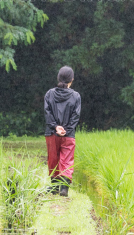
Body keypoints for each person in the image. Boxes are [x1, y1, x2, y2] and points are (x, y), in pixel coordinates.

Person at [44, 66, 81, 197]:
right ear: (72, 79)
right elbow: (75, 116)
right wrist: (67, 129)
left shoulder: (49, 94)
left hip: (51, 133)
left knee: (53, 158)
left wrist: (55, 127)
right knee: (67, 159)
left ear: (58, 78)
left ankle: (54, 187)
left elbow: (47, 113)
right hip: (68, 135)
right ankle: (64, 188)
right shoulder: (76, 96)